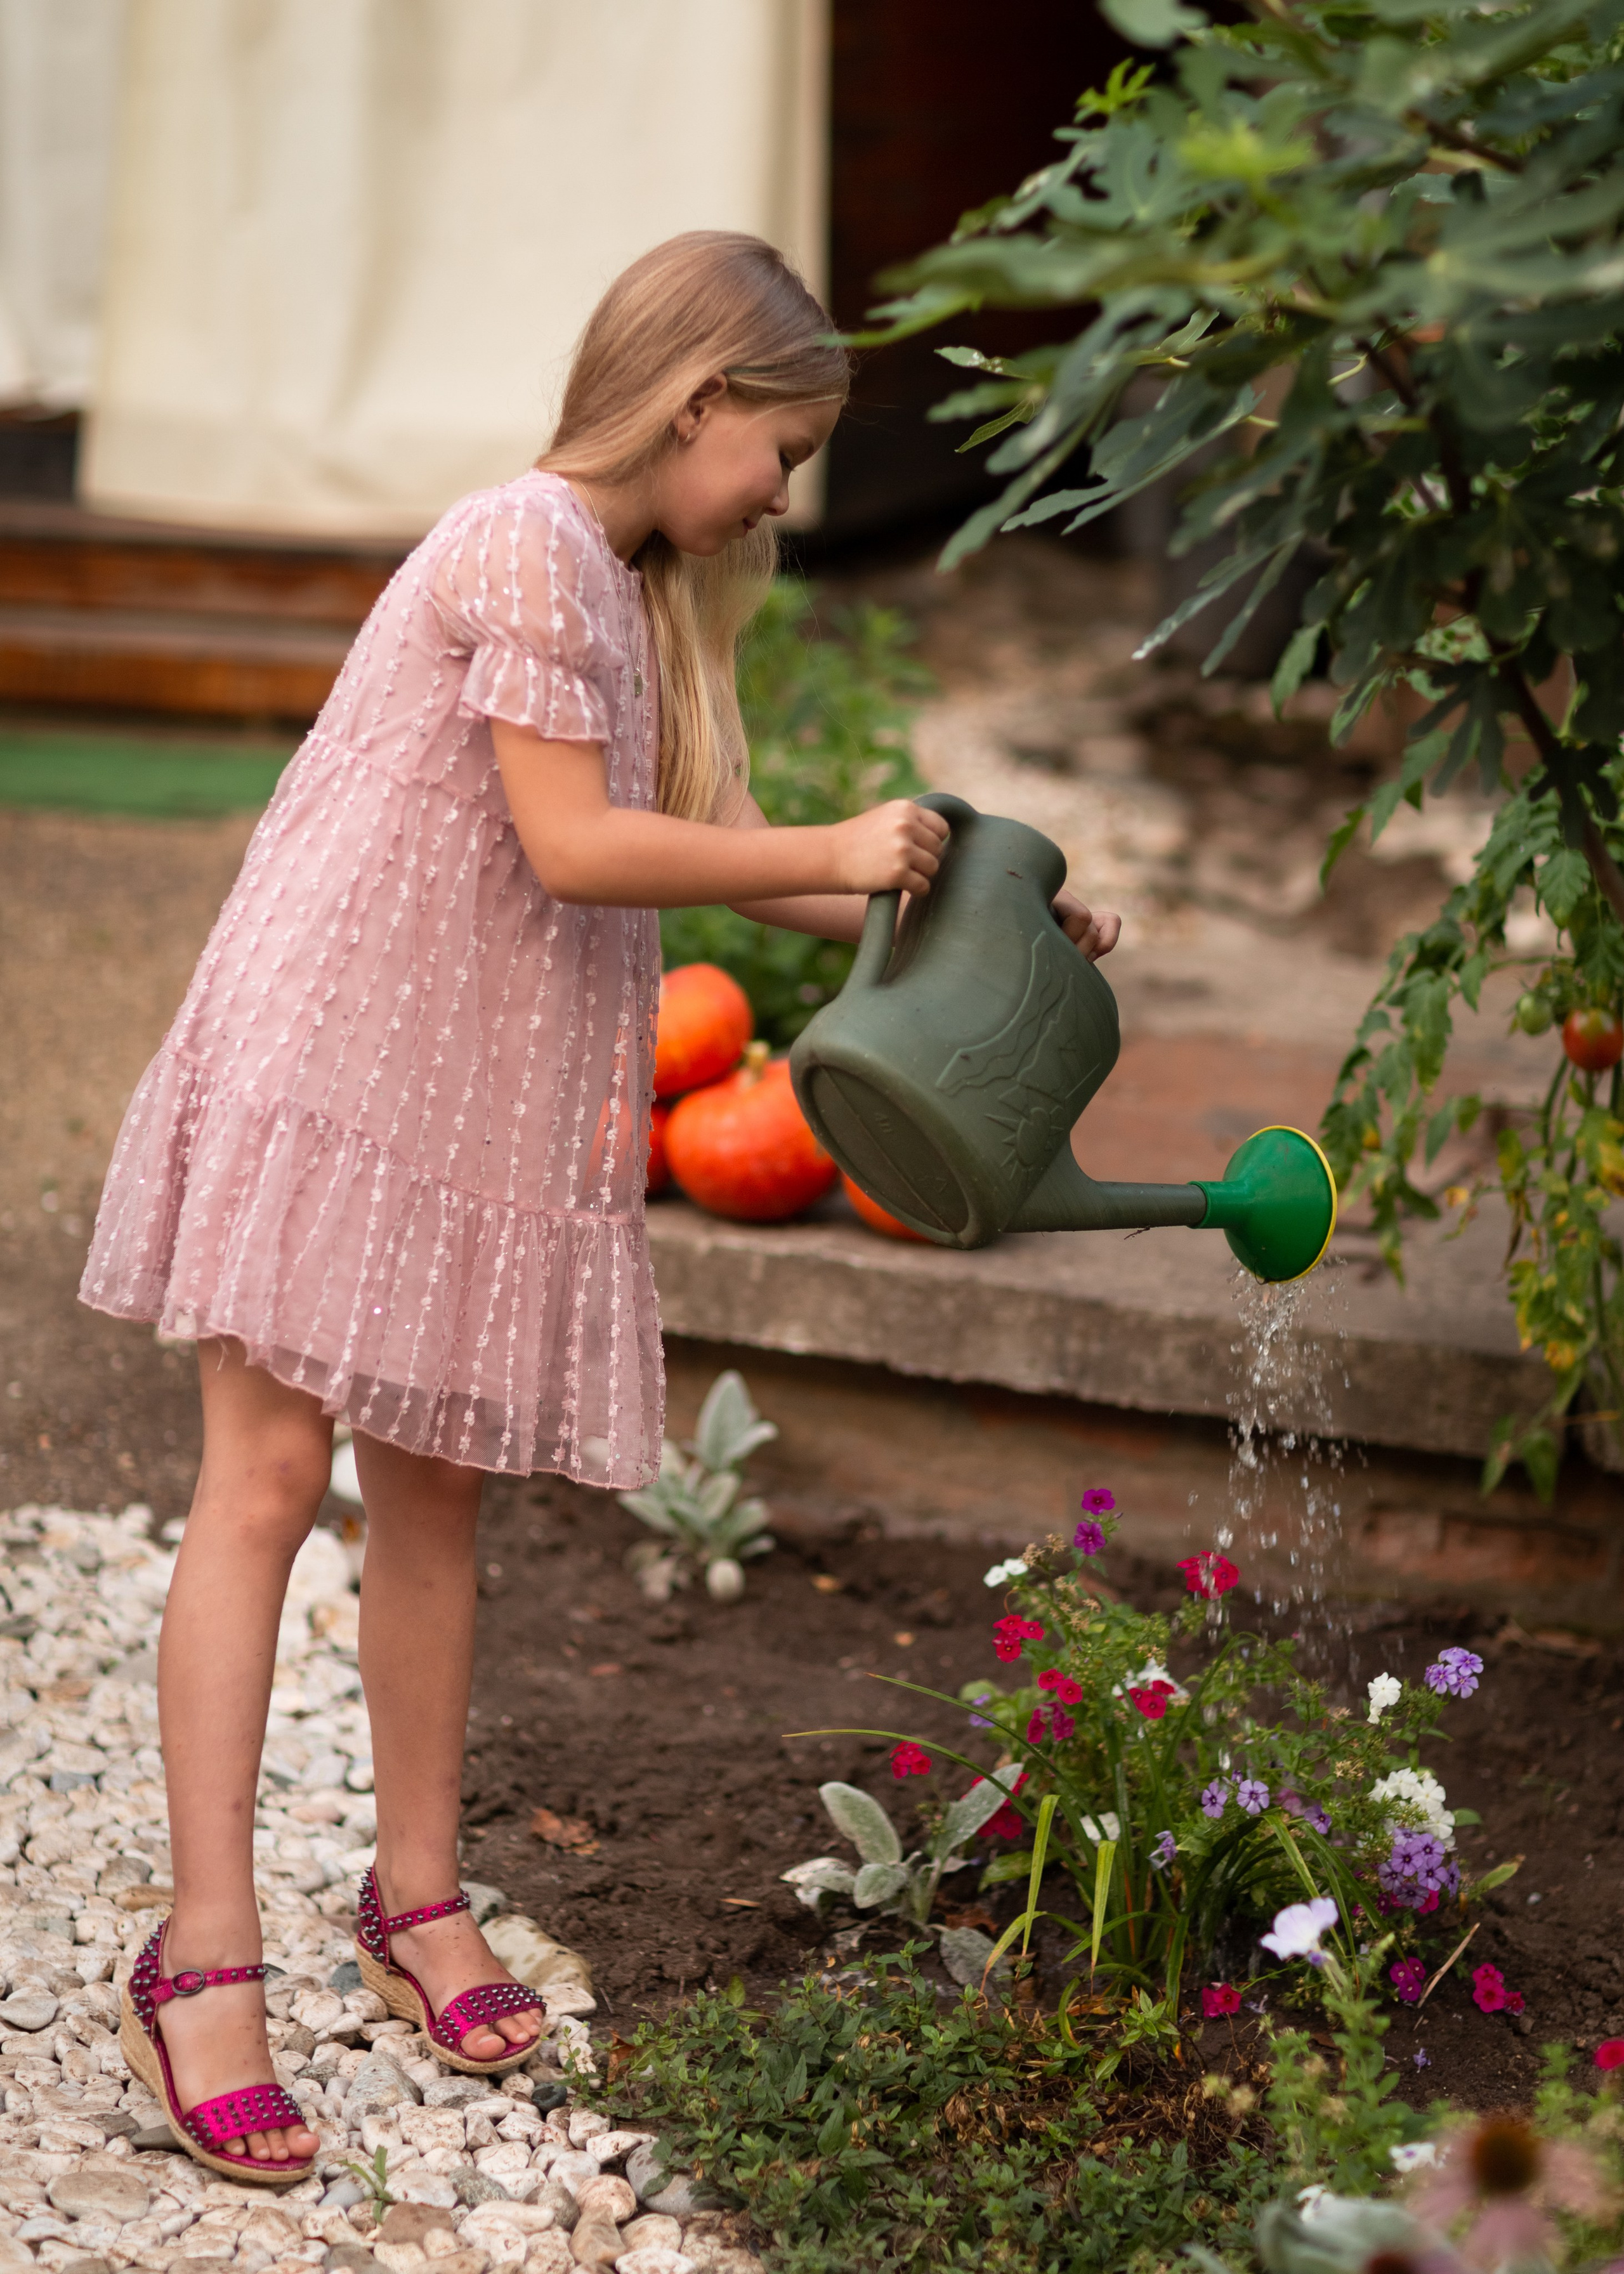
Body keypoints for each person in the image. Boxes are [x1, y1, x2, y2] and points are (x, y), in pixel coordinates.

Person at [82, 230, 1120, 2183]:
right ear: (696, 398)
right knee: (263, 1475)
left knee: (433, 1490)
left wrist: (988, 915)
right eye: (781, 450)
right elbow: (574, 849)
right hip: (342, 1055)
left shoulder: (627, 591)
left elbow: (710, 864)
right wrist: (834, 836)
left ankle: (410, 1894)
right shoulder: (521, 538)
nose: (785, 497)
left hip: (465, 1085)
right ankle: (199, 1953)